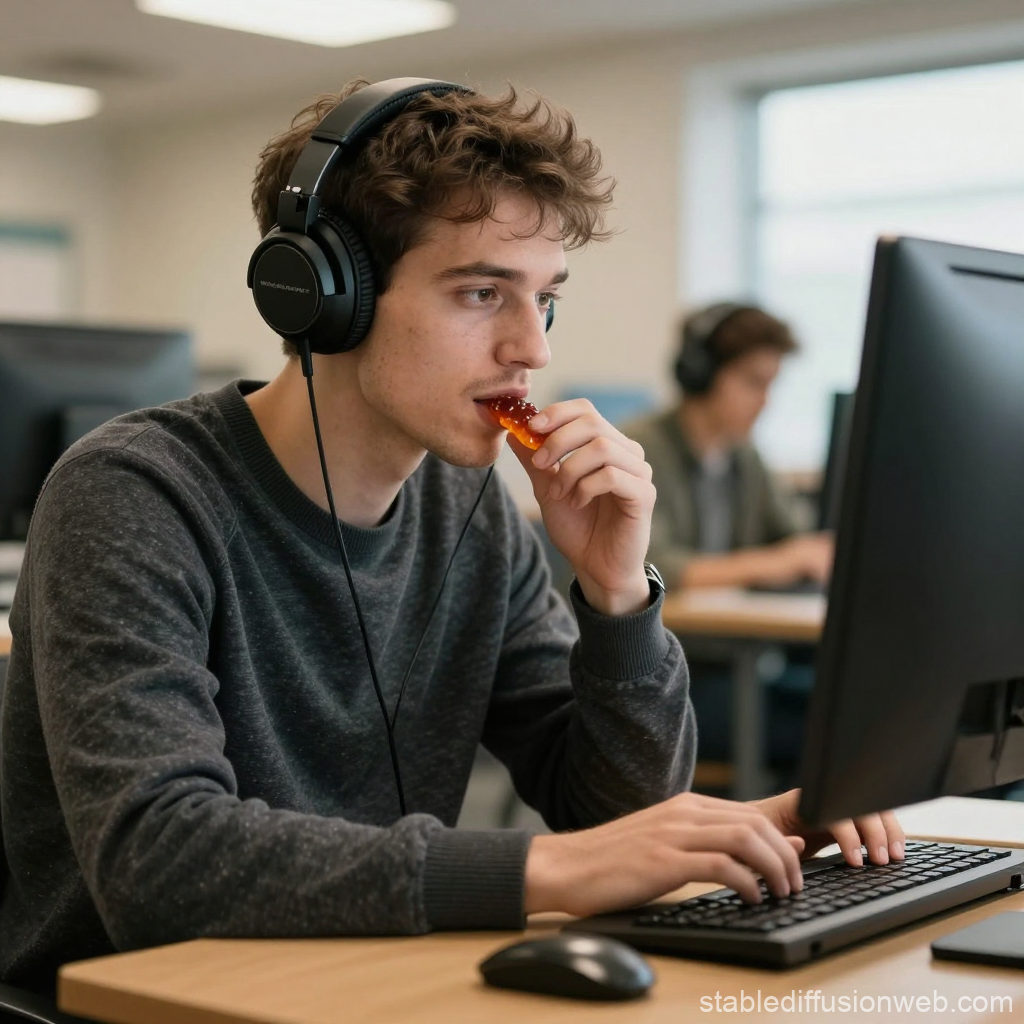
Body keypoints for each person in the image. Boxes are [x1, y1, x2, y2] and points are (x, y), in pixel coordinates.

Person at [0, 79, 901, 996]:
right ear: (323, 295)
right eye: (481, 292)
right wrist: (545, 871)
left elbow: (620, 809)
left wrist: (617, 595)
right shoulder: (135, 494)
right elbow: (161, 862)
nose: (532, 348)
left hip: (373, 980)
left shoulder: (469, 512)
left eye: (543, 297)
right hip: (146, 1003)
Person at [623, 303, 834, 591]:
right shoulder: (637, 449)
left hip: (722, 631)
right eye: (754, 382)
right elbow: (650, 569)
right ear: (702, 374)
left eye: (771, 385)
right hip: (655, 632)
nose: (765, 401)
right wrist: (778, 563)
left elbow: (795, 536)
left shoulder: (744, 455)